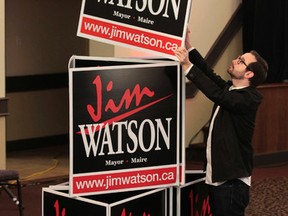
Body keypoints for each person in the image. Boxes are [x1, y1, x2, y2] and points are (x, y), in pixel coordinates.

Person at [175, 29, 268, 216]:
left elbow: (217, 95)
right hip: (220, 177)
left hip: (232, 182)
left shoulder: (249, 98)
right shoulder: (231, 89)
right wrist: (189, 46)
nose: (235, 60)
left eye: (241, 61)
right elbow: (208, 74)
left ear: (249, 74)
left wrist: (187, 66)